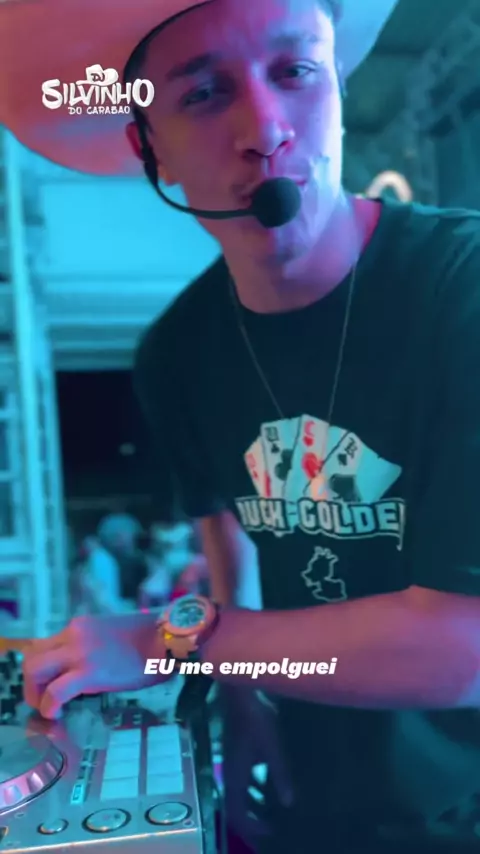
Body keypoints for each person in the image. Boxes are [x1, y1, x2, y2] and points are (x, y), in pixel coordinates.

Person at [3, 1, 480, 852]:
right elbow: (227, 536)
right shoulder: (177, 355)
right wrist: (242, 701)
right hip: (315, 792)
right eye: (204, 93)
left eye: (295, 73)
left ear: (338, 90)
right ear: (150, 147)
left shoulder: (461, 290)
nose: (265, 131)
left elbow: (466, 649)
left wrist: (169, 644)